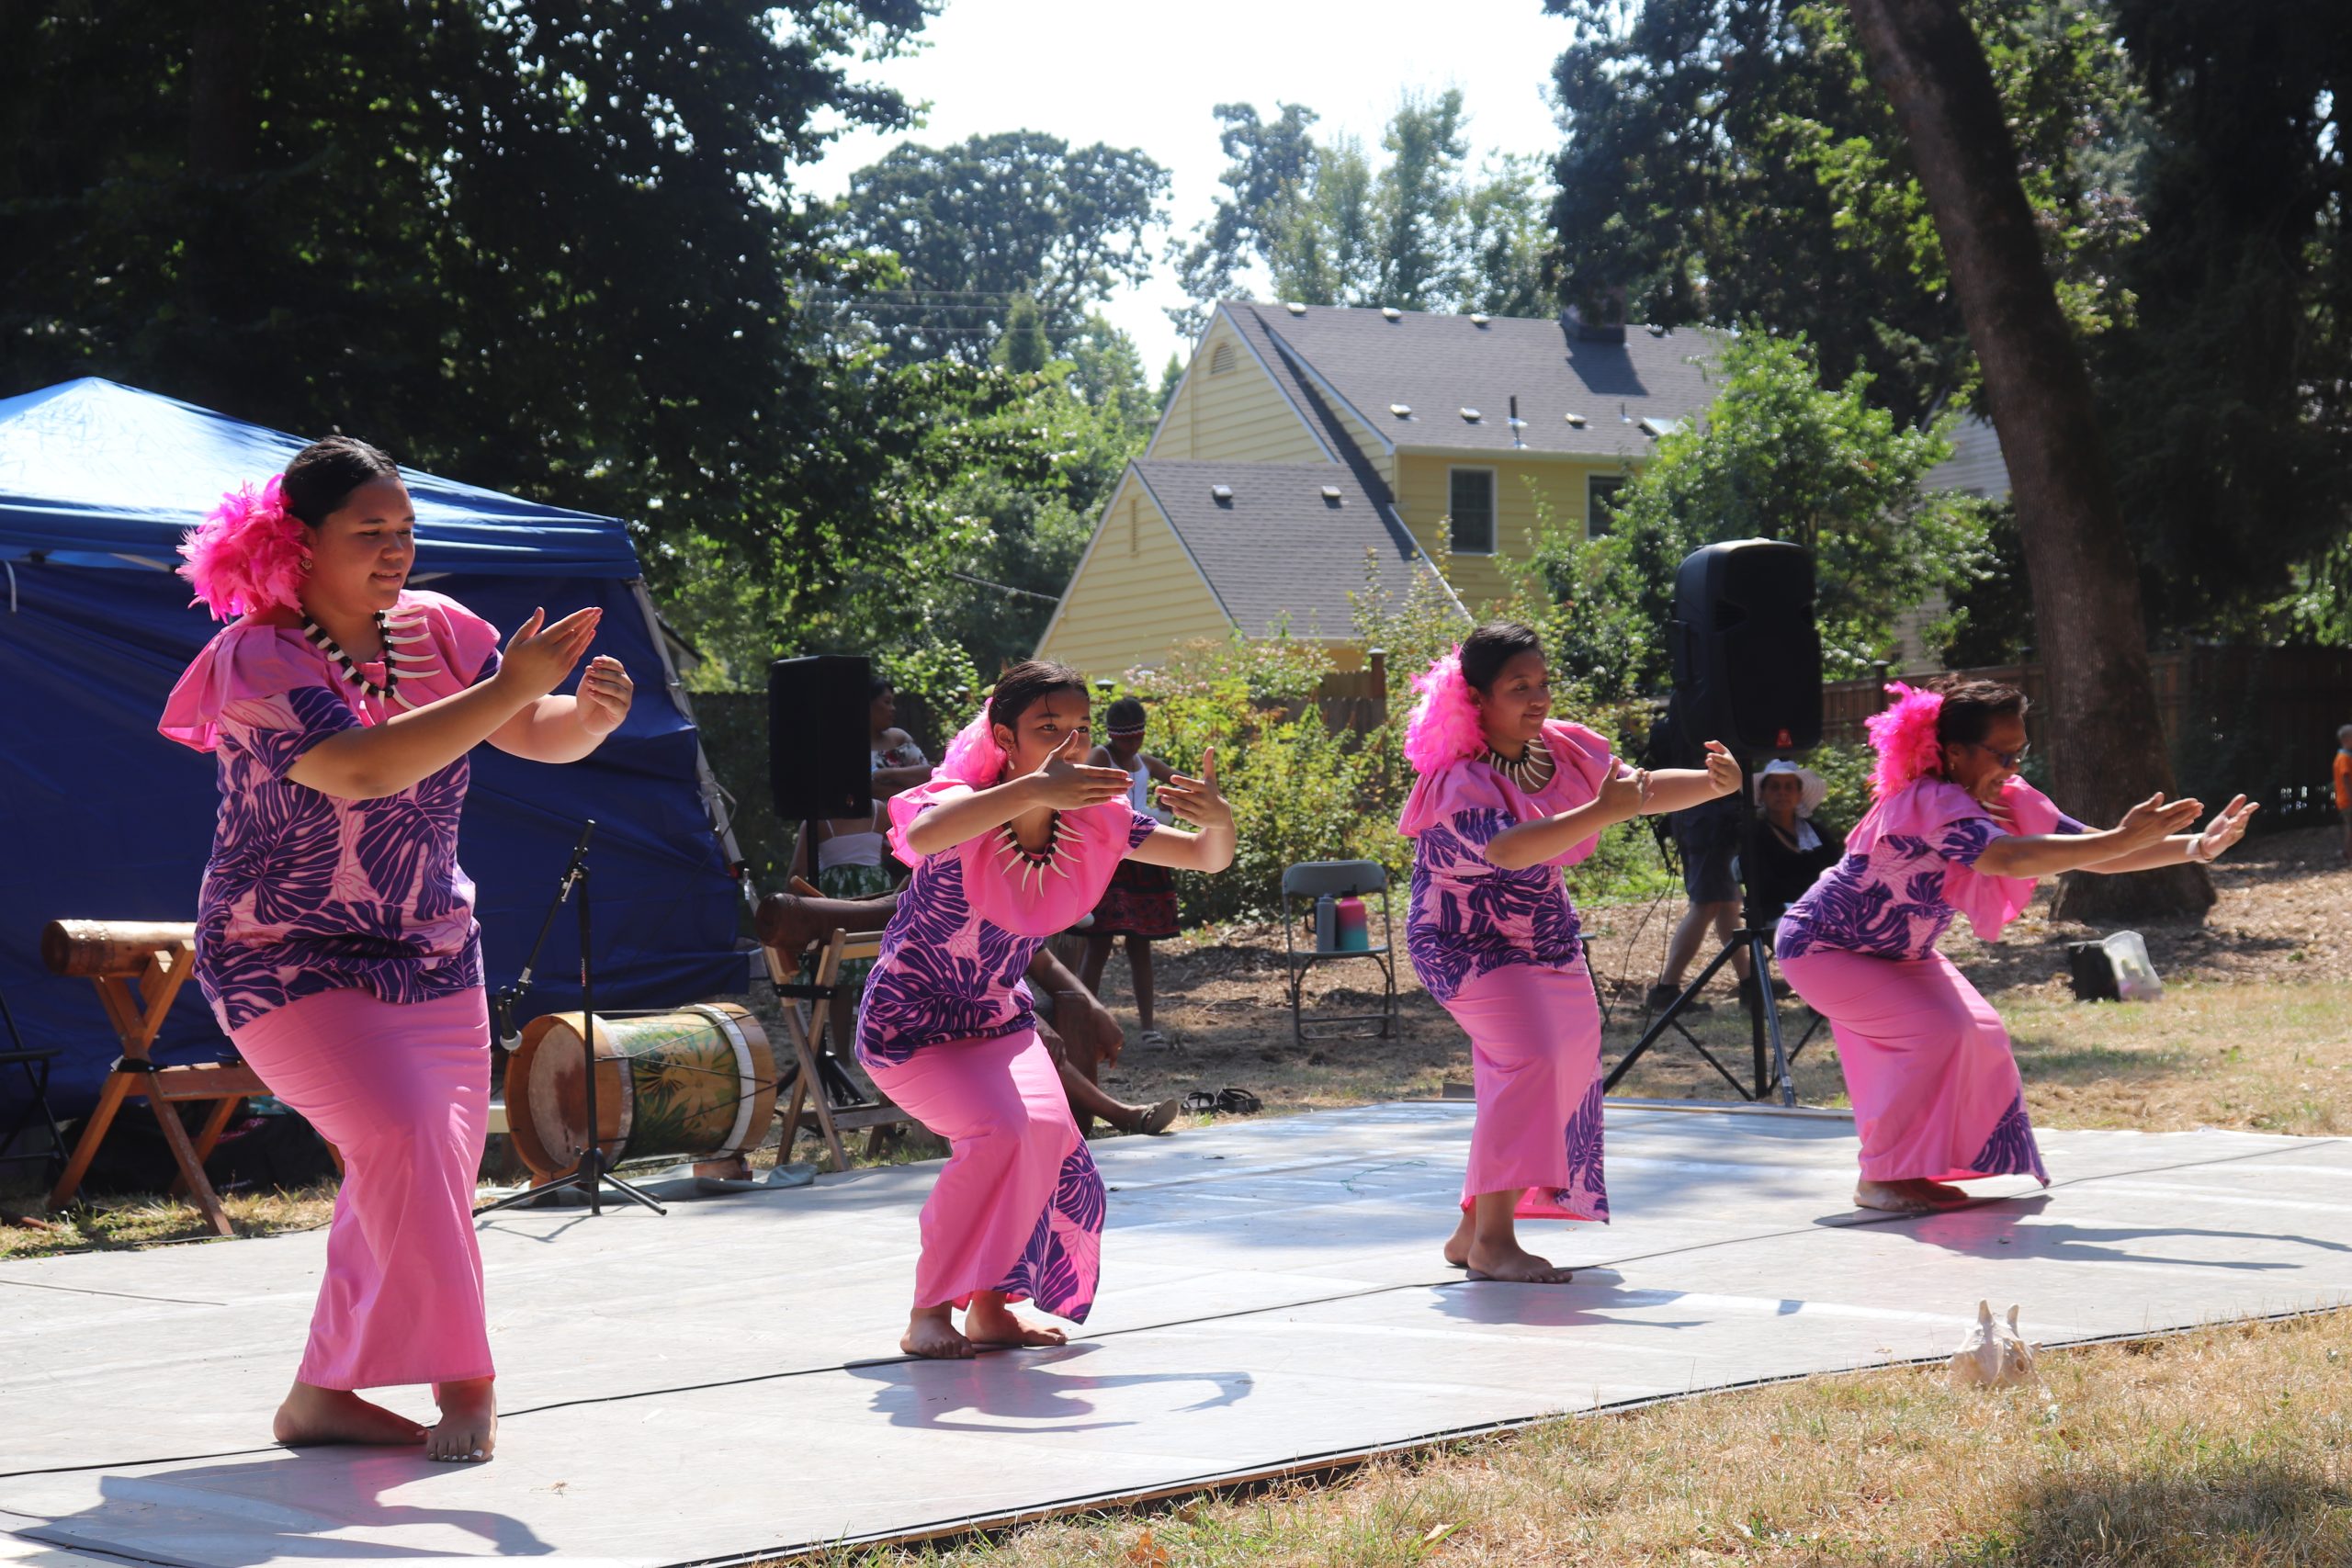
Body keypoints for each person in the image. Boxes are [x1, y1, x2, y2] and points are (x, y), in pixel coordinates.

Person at [158, 438, 632, 1462]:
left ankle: (324, 1397)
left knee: (419, 1165)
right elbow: (360, 770)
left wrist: (582, 720)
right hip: (280, 955)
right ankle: (467, 1381)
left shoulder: (442, 631)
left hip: (429, 951)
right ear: (297, 545)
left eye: (405, 530)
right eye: (369, 532)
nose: (395, 549)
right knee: (407, 1136)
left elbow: (528, 730)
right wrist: (512, 689)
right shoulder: (258, 656)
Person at [854, 661, 1234, 1359]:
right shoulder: (954, 798)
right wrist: (1032, 789)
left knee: (1049, 1140)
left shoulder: (1099, 818)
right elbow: (928, 836)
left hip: (998, 1022)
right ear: (1005, 735)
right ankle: (928, 1311)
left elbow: (1206, 857)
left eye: (1080, 728)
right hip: (910, 1027)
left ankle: (993, 1311)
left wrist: (1219, 821)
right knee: (1000, 1131)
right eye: (1047, 728)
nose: (1071, 740)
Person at [1775, 679, 2256, 1215]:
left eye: (2019, 752)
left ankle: (1911, 1170)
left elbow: (2092, 853)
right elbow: (2006, 858)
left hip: (1901, 955)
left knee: (1979, 1033)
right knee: (1936, 1033)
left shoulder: (2007, 797)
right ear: (1953, 751)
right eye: (2000, 753)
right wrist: (2120, 837)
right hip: (1825, 949)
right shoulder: (1929, 802)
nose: (2011, 765)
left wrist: (2197, 846)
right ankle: (1882, 1177)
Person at [1398, 622, 1742, 1284]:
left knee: (1571, 1063)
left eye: (1543, 682)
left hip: (1547, 935)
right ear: (1475, 699)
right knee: (1529, 1055)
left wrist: (1710, 783)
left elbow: (1635, 790)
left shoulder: (1557, 748)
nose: (1538, 697)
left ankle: (1473, 1225)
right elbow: (1509, 848)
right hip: (1463, 941)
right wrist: (1602, 813)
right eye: (1519, 686)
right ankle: (1495, 1242)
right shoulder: (1457, 779)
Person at [752, 887, 1180, 1137]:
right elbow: (969, 984)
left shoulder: (1013, 883)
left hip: (995, 1006)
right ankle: (1117, 1114)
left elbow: (1043, 961)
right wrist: (1033, 1022)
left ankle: (1090, 1120)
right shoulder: (951, 886)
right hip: (948, 1016)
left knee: (1051, 1017)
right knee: (1025, 1035)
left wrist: (1092, 1005)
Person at [1080, 696, 1180, 1047]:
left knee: (1141, 946)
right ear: (1112, 735)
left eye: (1136, 738)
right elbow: (1080, 801)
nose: (1130, 745)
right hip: (1108, 864)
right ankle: (1082, 1022)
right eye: (1124, 738)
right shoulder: (1099, 758)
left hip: (1142, 862)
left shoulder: (1144, 762)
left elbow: (1182, 781)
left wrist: (1169, 799)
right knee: (1099, 945)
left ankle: (1148, 1027)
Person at [1645, 717, 1749, 1012]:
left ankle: (1749, 983)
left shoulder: (1695, 699)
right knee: (1706, 904)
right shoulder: (1707, 703)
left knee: (1727, 903)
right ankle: (1666, 989)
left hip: (1705, 814)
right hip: (1706, 817)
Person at [1745, 759, 1846, 925]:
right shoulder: (1755, 835)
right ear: (1762, 794)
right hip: (1778, 912)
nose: (1782, 793)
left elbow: (1838, 870)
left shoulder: (1818, 833)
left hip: (1825, 908)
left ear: (1799, 795)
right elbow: (1763, 886)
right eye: (1775, 787)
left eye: (1789, 787)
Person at [2335, 723, 2351, 863]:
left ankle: (2347, 852)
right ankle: (2348, 853)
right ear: (2347, 739)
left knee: (2349, 826)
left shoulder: (2342, 756)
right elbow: (2346, 777)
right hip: (2347, 799)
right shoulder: (2344, 758)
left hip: (2343, 799)